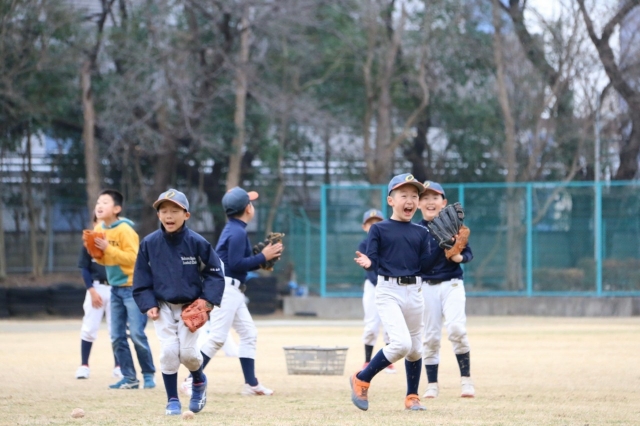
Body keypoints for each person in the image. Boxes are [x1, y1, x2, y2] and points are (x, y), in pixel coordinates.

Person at [133, 189, 226, 416]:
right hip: (162, 306)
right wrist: (148, 303)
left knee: (188, 354)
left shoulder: (197, 242)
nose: (169, 215)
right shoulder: (149, 244)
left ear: (186, 215)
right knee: (168, 352)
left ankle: (198, 380)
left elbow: (215, 273)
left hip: (191, 306)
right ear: (158, 215)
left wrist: (207, 302)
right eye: (164, 210)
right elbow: (141, 278)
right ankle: (172, 400)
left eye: (175, 210)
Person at [352, 173, 438, 411]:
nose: (410, 200)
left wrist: (444, 248)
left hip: (415, 291)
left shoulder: (421, 232)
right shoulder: (379, 229)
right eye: (404, 195)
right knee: (401, 344)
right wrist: (369, 263)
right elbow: (373, 258)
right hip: (389, 290)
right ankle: (362, 379)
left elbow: (426, 267)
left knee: (416, 348)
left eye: (414, 196)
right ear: (391, 200)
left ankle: (412, 397)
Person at [195, 187, 282, 396]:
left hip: (233, 289)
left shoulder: (235, 229)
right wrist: (263, 256)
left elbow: (238, 265)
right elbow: (235, 264)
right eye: (250, 202)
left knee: (249, 334)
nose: (252, 205)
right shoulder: (237, 232)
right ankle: (192, 380)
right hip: (226, 289)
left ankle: (251, 384)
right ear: (247, 208)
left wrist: (261, 260)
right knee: (217, 337)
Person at [90, 189, 156, 389]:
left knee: (136, 334)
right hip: (115, 289)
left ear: (117, 209)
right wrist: (96, 253)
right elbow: (103, 261)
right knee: (117, 336)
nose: (99, 206)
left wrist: (107, 248)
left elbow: (134, 259)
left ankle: (148, 374)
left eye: (105, 202)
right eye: (98, 202)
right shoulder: (99, 228)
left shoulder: (125, 230)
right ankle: (129, 377)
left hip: (134, 288)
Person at [418, 181, 475, 398]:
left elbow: (468, 253)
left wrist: (459, 256)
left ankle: (466, 380)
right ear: (419, 203)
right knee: (430, 337)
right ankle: (432, 384)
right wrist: (442, 243)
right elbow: (419, 263)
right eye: (425, 198)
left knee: (457, 329)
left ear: (444, 203)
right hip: (426, 287)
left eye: (435, 197)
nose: (430, 201)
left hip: (452, 284)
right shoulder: (416, 231)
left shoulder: (454, 227)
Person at [75, 215, 121, 380]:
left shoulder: (118, 242)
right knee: (89, 327)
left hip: (116, 288)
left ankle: (119, 366)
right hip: (96, 287)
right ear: (94, 223)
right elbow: (84, 268)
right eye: (99, 221)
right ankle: (84, 366)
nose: (102, 224)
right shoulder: (89, 242)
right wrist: (92, 290)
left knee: (116, 329)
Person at [358, 209, 395, 374]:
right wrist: (379, 282)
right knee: (371, 325)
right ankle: (367, 360)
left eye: (378, 223)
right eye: (370, 223)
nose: (374, 226)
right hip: (373, 286)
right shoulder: (364, 245)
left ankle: (388, 361)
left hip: (389, 285)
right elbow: (370, 270)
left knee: (389, 325)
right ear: (364, 227)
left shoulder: (389, 243)